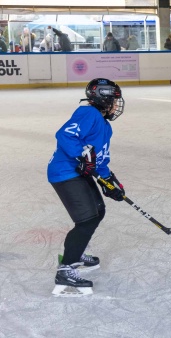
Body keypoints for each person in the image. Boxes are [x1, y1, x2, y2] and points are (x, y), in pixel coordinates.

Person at [47, 78, 126, 296]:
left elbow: (98, 160)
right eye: (114, 100)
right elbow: (65, 134)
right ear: (103, 99)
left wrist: (109, 180)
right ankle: (66, 270)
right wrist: (80, 154)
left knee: (98, 211)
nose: (116, 105)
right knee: (87, 218)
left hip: (78, 173)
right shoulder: (88, 113)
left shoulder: (105, 126)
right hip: (65, 173)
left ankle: (77, 250)